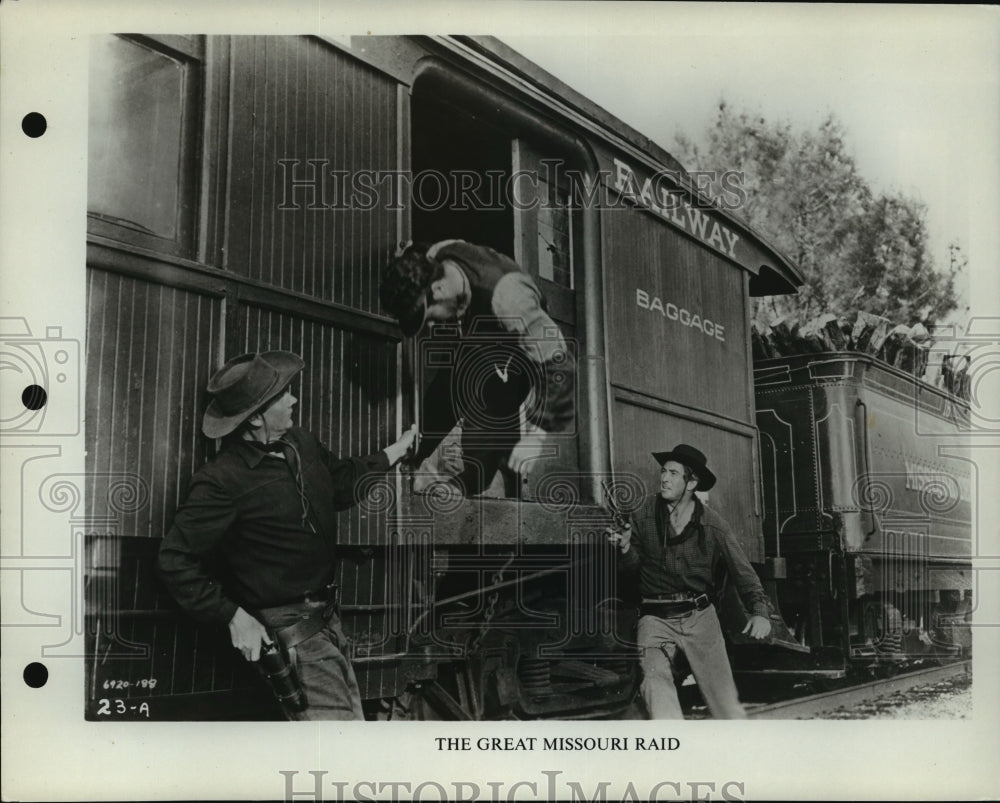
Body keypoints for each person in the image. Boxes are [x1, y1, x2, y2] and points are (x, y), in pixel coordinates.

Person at [157, 350, 416, 720]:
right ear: (256, 417)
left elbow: (341, 481)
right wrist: (232, 616)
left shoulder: (300, 443)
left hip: (328, 623)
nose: (294, 399)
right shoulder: (221, 481)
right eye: (282, 396)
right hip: (293, 637)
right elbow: (174, 560)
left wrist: (395, 452)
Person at [379, 239, 574, 496]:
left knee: (489, 406)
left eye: (430, 317)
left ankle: (469, 482)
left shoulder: (509, 300)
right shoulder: (436, 253)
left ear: (437, 289)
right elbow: (411, 255)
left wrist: (536, 438)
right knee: (445, 389)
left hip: (517, 353)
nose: (433, 327)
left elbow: (561, 363)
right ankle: (415, 456)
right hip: (479, 327)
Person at [607, 444, 772, 719]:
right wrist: (624, 550)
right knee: (654, 678)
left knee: (725, 705)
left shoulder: (712, 524)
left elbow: (743, 572)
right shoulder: (642, 515)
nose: (664, 478)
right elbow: (632, 570)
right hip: (655, 618)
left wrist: (759, 612)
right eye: (663, 471)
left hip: (700, 618)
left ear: (691, 482)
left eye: (674, 473)